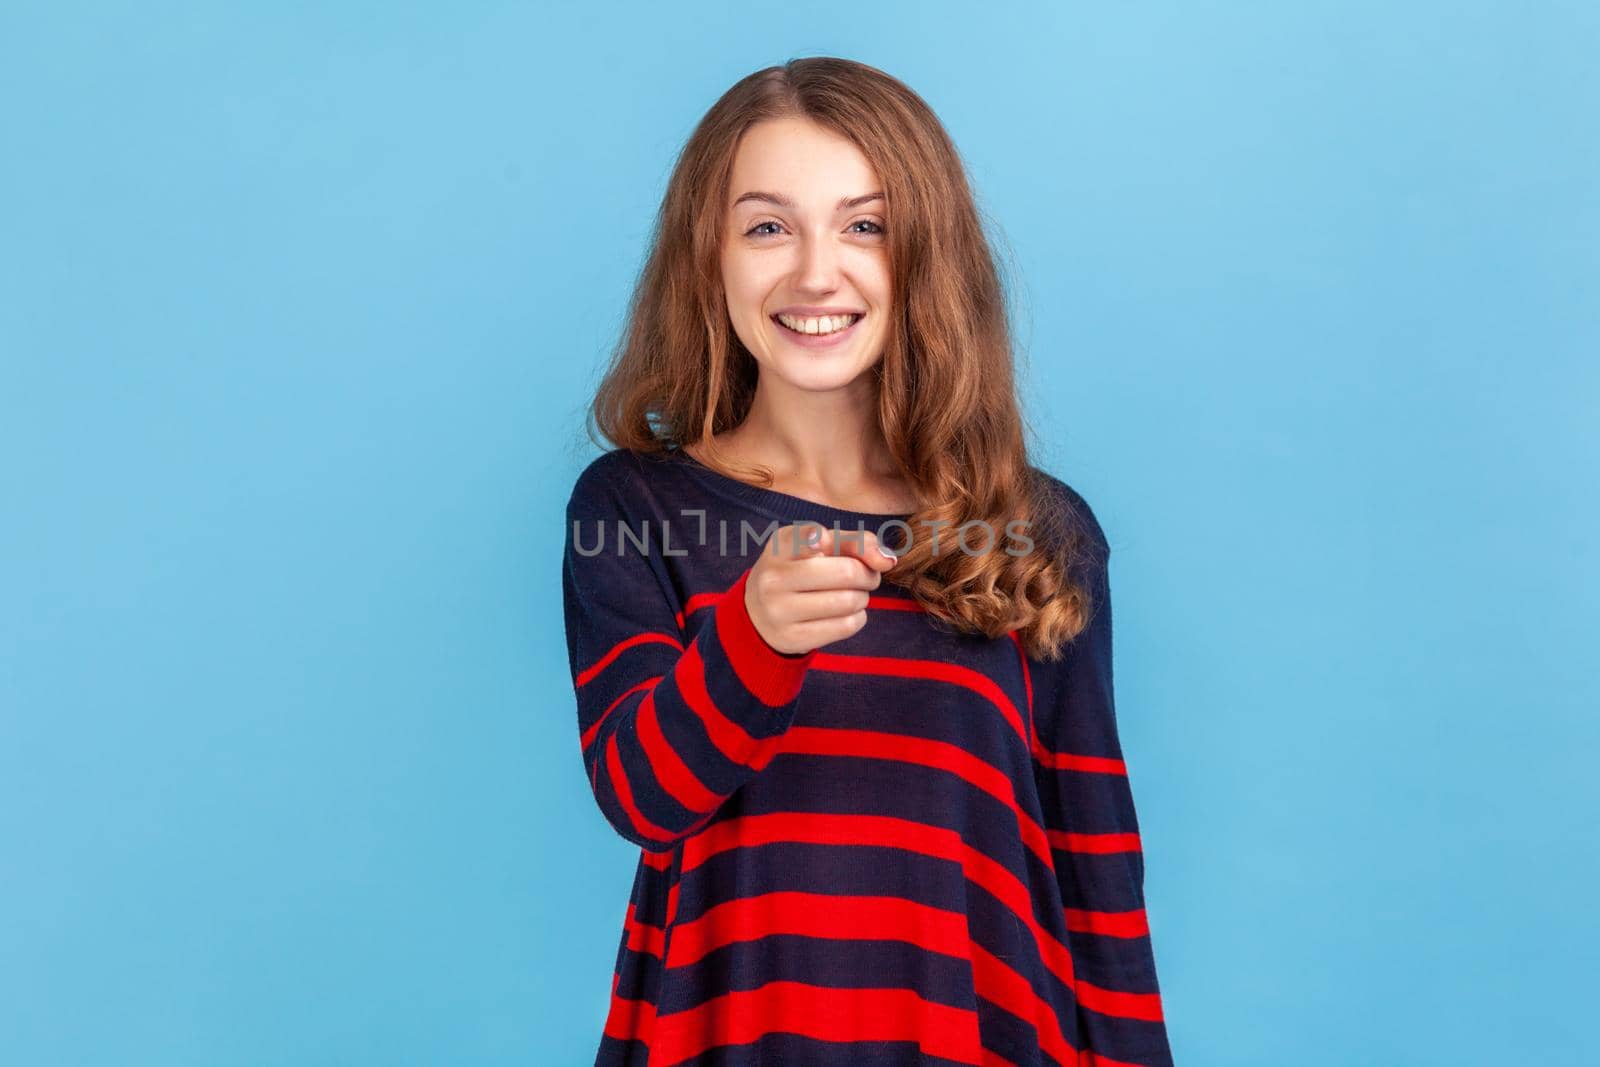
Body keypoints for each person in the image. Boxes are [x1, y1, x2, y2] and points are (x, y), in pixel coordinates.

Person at [562, 57, 1175, 1067]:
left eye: (865, 224)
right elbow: (640, 793)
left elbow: (1095, 861)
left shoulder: (1039, 528)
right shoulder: (634, 509)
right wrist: (751, 636)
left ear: (924, 254)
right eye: (767, 227)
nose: (814, 272)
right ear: (706, 259)